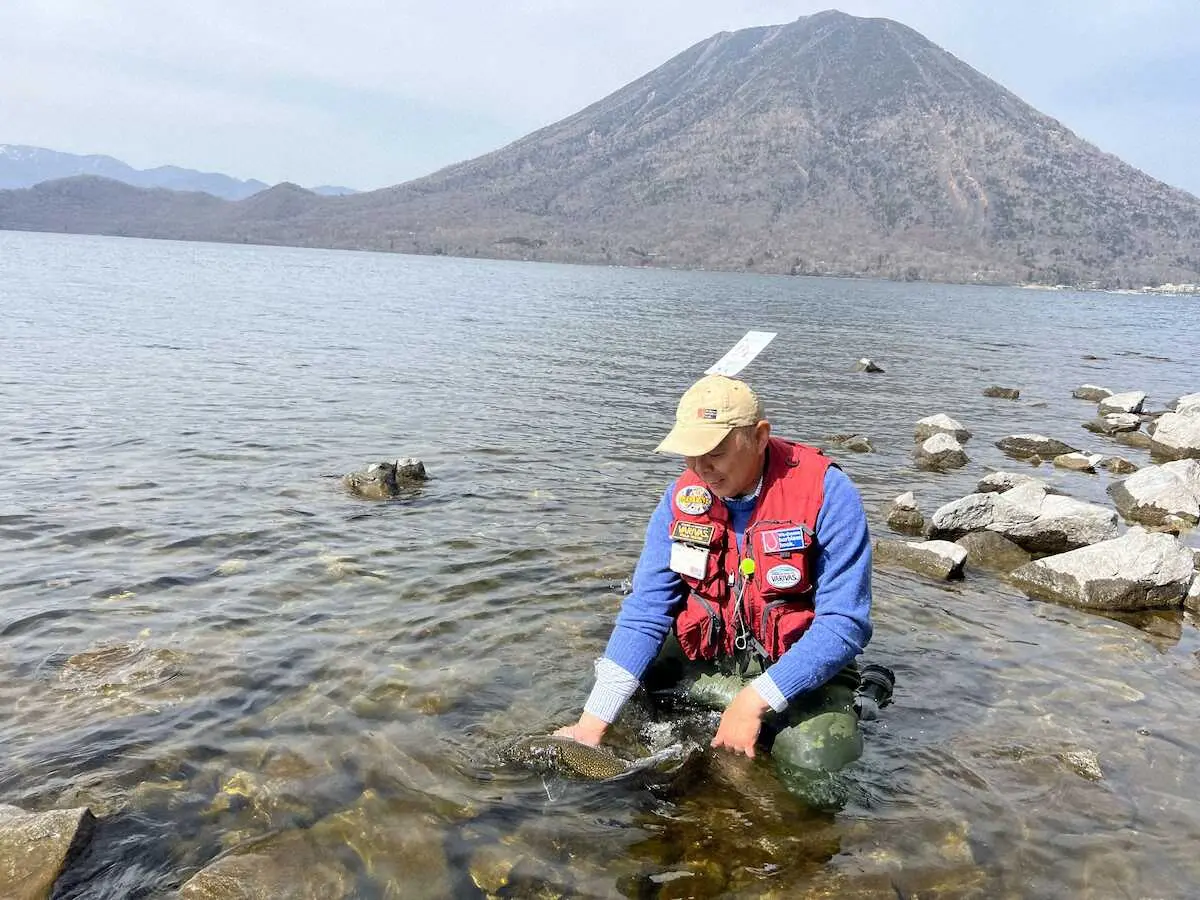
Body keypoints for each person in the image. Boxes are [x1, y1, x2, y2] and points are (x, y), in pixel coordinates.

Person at [555, 373, 874, 783]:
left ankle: (863, 696)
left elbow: (844, 624)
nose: (701, 469)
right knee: (623, 686)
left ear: (759, 437)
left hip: (792, 658)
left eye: (715, 453)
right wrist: (590, 726)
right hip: (715, 651)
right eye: (690, 454)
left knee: (815, 764)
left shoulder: (828, 493)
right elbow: (646, 609)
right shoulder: (681, 498)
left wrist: (754, 701)